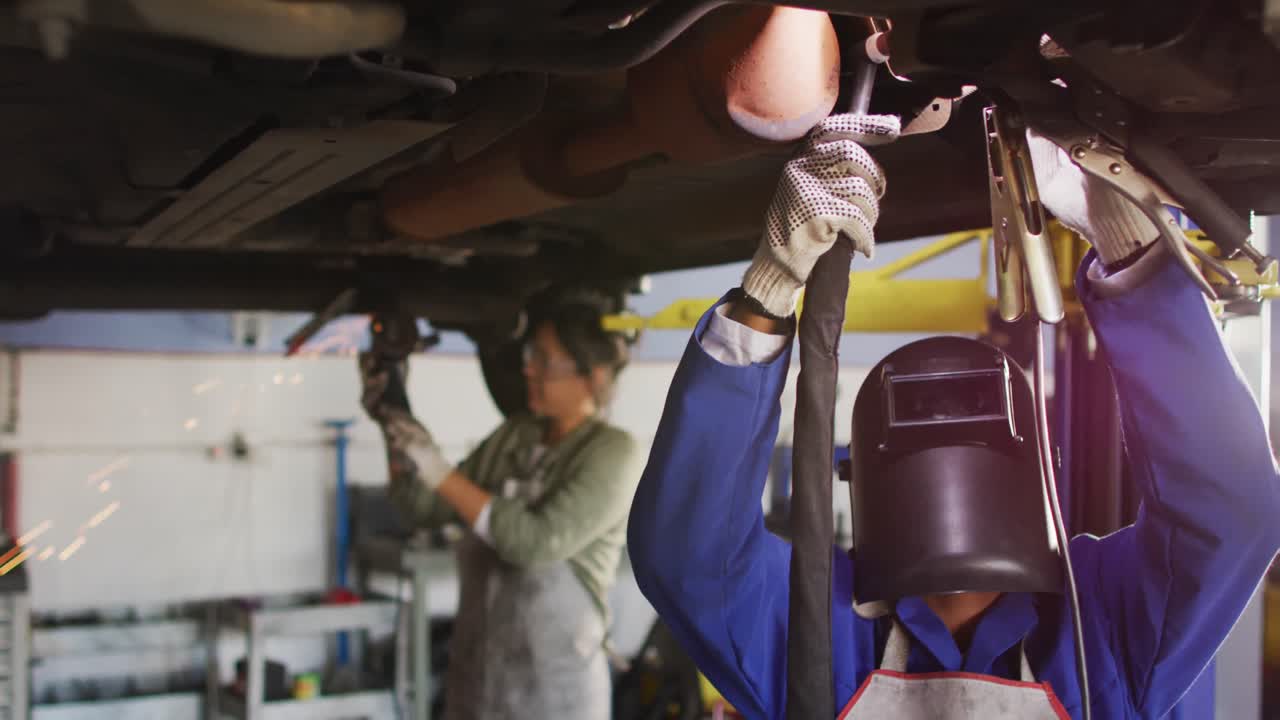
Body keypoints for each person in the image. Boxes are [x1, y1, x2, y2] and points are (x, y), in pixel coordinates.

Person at [627, 112, 1280, 719]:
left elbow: (690, 556)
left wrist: (767, 295)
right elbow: (1227, 510)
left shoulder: (1093, 626)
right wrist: (1139, 266)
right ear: (1037, 471)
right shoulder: (1106, 634)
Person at [359, 301, 641, 720]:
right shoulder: (518, 434)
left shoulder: (613, 451)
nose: (528, 370)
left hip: (555, 697)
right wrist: (394, 421)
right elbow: (425, 507)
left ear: (592, 376)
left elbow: (535, 543)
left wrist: (435, 467)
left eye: (544, 361)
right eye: (531, 357)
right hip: (477, 687)